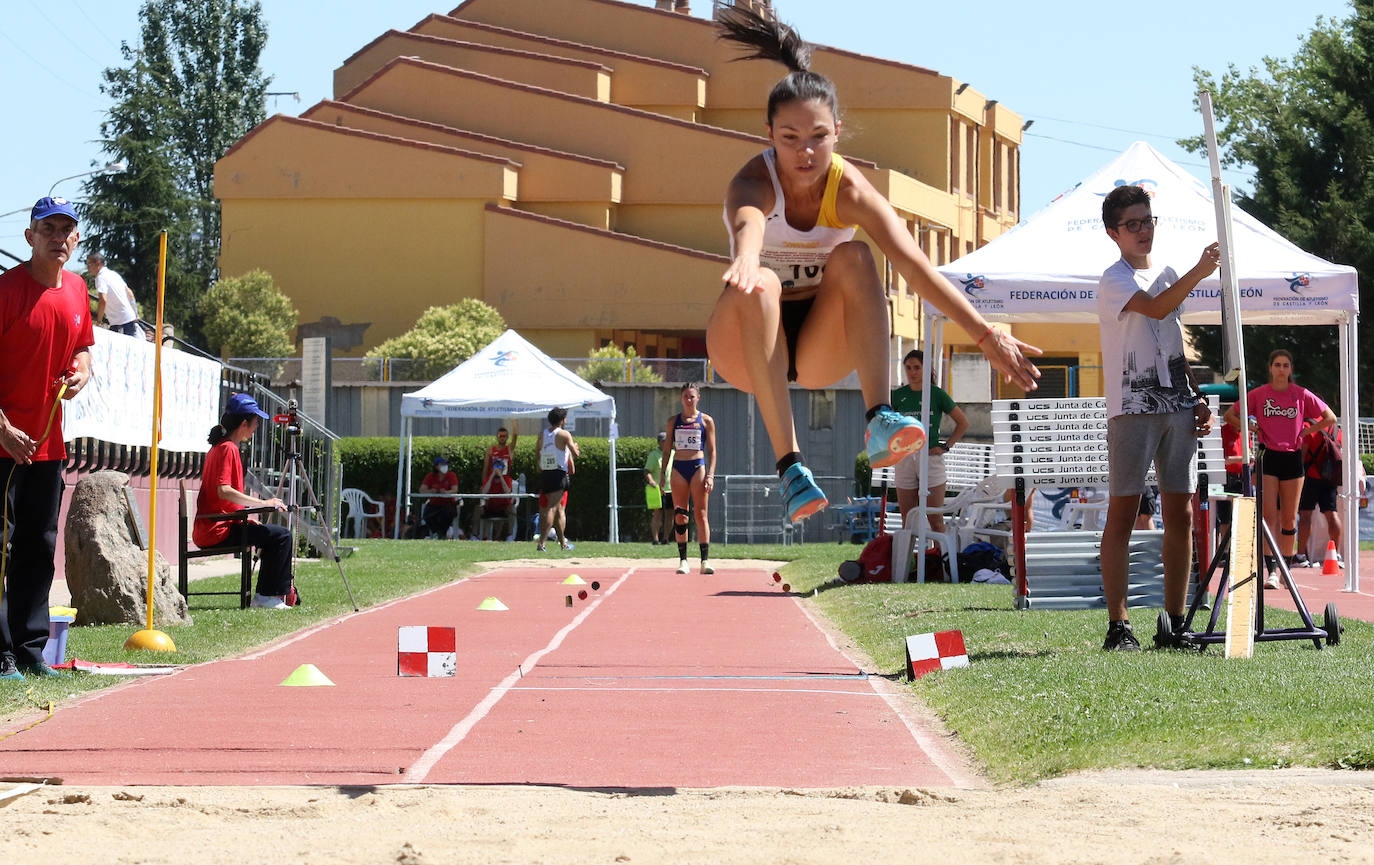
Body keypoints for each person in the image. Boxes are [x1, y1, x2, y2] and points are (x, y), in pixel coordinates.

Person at [706, 5, 1041, 526]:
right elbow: (749, 224)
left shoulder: (852, 190)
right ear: (769, 134)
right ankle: (790, 466)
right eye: (790, 138)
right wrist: (747, 259)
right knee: (763, 283)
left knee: (857, 254)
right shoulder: (752, 182)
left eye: (818, 136)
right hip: (745, 345)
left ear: (837, 131)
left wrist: (982, 333)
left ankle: (879, 418)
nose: (806, 152)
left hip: (819, 345)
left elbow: (916, 267)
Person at [1095, 183, 1220, 651]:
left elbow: (1172, 339)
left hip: (1176, 406)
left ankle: (1173, 624)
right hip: (1131, 409)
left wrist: (1196, 394)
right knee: (1124, 512)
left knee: (1181, 512)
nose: (1144, 230)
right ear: (1114, 233)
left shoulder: (1167, 272)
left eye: (1148, 220)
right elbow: (1156, 306)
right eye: (1133, 224)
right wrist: (1201, 270)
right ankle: (1118, 625)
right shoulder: (1115, 278)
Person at [0, 197, 94, 679]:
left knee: (39, 546)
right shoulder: (6, 291)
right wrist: (3, 428)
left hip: (48, 446)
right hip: (2, 443)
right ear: (29, 237)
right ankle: (0, 654)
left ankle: (32, 650)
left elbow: (82, 350)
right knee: (1, 547)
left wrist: (80, 373)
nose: (59, 237)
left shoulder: (78, 290)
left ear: (76, 239)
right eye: (48, 228)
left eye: (67, 229)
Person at [1222, 350, 1336, 586]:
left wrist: (1306, 431)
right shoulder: (1259, 394)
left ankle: (1286, 568)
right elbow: (1230, 414)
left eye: (1285, 365)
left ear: (1290, 369)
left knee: (1289, 519)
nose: (1281, 369)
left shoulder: (1301, 395)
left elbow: (1330, 417)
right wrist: (1252, 429)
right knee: (1267, 516)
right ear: (1270, 368)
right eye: (1277, 365)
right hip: (1267, 456)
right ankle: (1271, 571)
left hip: (1292, 457)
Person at [193, 393, 292, 610]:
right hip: (216, 530)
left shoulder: (223, 447)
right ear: (244, 423)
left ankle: (268, 595)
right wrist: (264, 503)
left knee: (272, 534)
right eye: (255, 421)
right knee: (282, 536)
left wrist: (247, 517)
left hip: (217, 525)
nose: (257, 425)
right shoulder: (227, 448)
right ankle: (267, 597)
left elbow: (224, 497)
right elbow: (224, 491)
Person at [890, 349, 969, 536]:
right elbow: (885, 425)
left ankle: (940, 562)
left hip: (930, 458)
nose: (912, 372)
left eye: (917, 367)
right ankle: (909, 564)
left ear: (926, 369)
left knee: (935, 519)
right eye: (908, 368)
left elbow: (963, 422)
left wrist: (946, 446)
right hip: (905, 458)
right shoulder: (897, 395)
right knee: (907, 519)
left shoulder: (937, 394)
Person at [660, 383, 717, 574]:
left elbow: (712, 451)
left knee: (701, 514)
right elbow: (667, 450)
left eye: (692, 396)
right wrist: (662, 475)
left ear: (698, 398)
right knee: (680, 514)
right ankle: (683, 561)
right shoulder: (673, 421)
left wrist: (710, 475)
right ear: (681, 398)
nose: (689, 400)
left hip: (698, 467)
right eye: (685, 396)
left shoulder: (706, 420)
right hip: (678, 468)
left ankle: (704, 561)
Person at [1297, 421, 1344, 570]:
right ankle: (1336, 553)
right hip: (1330, 477)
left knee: (1305, 515)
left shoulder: (1307, 427)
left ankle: (1300, 556)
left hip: (1311, 476)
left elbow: (1302, 455)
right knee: (1332, 514)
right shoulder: (1336, 428)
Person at [537, 407, 580, 552]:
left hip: (546, 473)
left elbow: (537, 451)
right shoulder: (564, 434)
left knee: (558, 510)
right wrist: (576, 448)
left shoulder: (542, 434)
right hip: (558, 473)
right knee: (553, 508)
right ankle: (541, 543)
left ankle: (563, 543)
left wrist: (539, 466)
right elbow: (575, 454)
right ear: (562, 420)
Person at [86, 251, 141, 338]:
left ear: (98, 263)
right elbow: (129, 293)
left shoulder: (100, 278)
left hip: (120, 322)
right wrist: (136, 313)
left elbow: (103, 300)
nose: (88, 268)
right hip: (129, 319)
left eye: (89, 264)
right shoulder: (114, 274)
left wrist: (99, 321)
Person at [471, 455, 517, 541]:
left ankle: (510, 536)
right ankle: (474, 535)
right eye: (495, 467)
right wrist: (492, 476)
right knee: (477, 509)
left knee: (512, 509)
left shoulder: (507, 479)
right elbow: (484, 492)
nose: (497, 469)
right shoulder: (488, 479)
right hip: (490, 506)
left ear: (503, 469)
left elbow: (507, 491)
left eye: (499, 467)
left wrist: (501, 476)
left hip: (504, 507)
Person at [643, 431, 674, 544]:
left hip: (672, 488)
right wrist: (651, 481)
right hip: (658, 489)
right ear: (659, 443)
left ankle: (666, 538)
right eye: (664, 441)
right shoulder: (654, 455)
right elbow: (647, 471)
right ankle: (655, 539)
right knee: (657, 513)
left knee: (670, 514)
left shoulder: (673, 453)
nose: (666, 443)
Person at [419, 456, 460, 539]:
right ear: (436, 466)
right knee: (427, 515)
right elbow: (422, 489)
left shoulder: (451, 475)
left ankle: (442, 534)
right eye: (442, 464)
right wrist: (431, 491)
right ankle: (436, 533)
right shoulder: (430, 476)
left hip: (448, 504)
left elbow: (455, 490)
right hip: (434, 504)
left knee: (446, 514)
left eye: (446, 464)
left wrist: (446, 492)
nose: (445, 466)